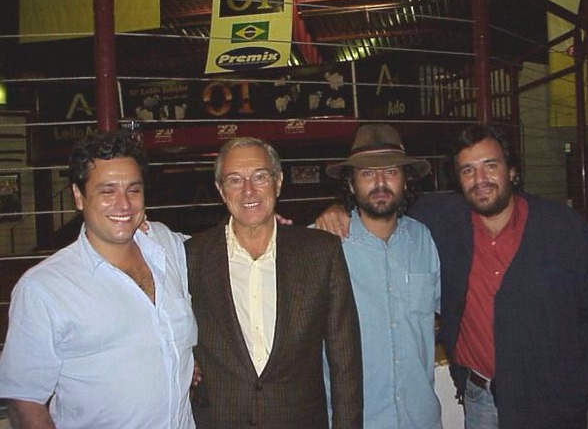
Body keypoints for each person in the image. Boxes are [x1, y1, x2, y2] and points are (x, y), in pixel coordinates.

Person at [316, 123, 588, 429]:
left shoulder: (562, 229)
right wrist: (330, 210)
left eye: (490, 165)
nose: (480, 179)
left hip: (546, 404)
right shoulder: (326, 245)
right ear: (351, 184)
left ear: (512, 171)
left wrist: (578, 383)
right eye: (468, 170)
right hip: (469, 402)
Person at [0, 130, 198, 429]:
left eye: (133, 190)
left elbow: (224, 255)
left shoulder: (167, 246)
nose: (124, 204)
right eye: (107, 191)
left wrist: (262, 228)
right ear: (79, 197)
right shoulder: (44, 288)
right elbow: (25, 402)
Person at [186, 136, 363, 428]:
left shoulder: (321, 252)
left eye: (259, 176)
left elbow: (346, 361)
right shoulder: (191, 257)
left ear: (278, 182)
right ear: (220, 190)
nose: (248, 190)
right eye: (234, 180)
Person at [322, 124, 442, 428]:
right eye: (366, 174)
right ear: (351, 185)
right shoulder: (324, 246)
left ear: (405, 181)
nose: (379, 182)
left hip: (421, 419)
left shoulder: (423, 240)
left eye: (390, 172)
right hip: (355, 421)